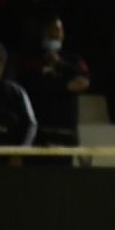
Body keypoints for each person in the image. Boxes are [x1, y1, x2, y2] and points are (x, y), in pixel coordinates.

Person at [18, 13, 91, 149]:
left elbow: (83, 82)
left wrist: (60, 65)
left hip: (66, 132)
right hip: (40, 132)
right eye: (50, 30)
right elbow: (33, 86)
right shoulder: (31, 60)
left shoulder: (73, 59)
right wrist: (66, 85)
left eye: (59, 29)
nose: (55, 34)